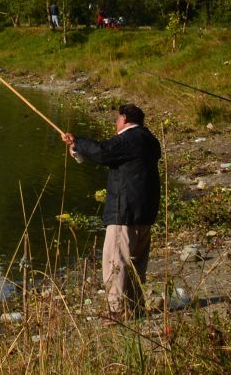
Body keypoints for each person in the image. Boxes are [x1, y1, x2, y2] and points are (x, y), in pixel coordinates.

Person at [60, 104, 161, 323]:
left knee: (115, 261)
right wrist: (78, 146)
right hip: (145, 212)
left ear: (124, 118)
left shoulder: (129, 139)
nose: (115, 123)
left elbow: (102, 152)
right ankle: (134, 308)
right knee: (136, 262)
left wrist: (78, 142)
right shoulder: (150, 141)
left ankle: (117, 311)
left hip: (124, 212)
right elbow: (110, 154)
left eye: (117, 119)